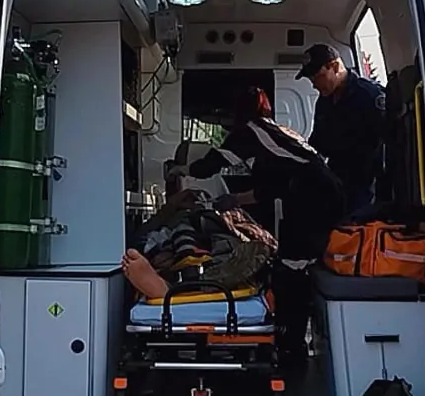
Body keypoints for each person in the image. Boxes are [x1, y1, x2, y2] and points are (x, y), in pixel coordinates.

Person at [166, 87, 344, 365]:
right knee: (297, 266)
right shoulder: (279, 133)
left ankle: (291, 343)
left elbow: (211, 164)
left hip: (313, 200)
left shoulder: (250, 132)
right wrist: (235, 199)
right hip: (326, 195)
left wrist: (182, 170)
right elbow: (272, 186)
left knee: (292, 268)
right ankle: (292, 341)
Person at [296, 42, 387, 215]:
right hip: (338, 184)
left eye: (317, 77)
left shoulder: (369, 96)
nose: (314, 84)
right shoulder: (324, 103)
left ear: (335, 66)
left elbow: (388, 145)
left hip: (367, 188)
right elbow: (317, 144)